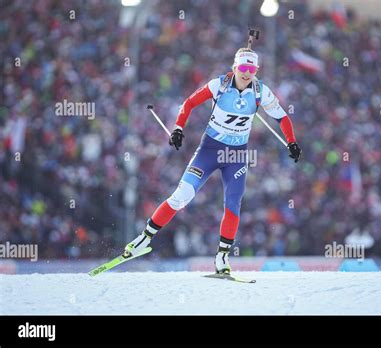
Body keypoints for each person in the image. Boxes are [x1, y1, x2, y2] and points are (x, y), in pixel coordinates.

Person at [124, 47, 301, 274]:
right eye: (243, 68)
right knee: (182, 196)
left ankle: (222, 257)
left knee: (233, 203)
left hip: (236, 156)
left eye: (252, 69)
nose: (247, 73)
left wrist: (292, 142)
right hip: (209, 150)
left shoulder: (260, 92)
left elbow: (282, 117)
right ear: (235, 67)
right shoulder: (220, 85)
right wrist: (178, 128)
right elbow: (188, 103)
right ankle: (144, 239)